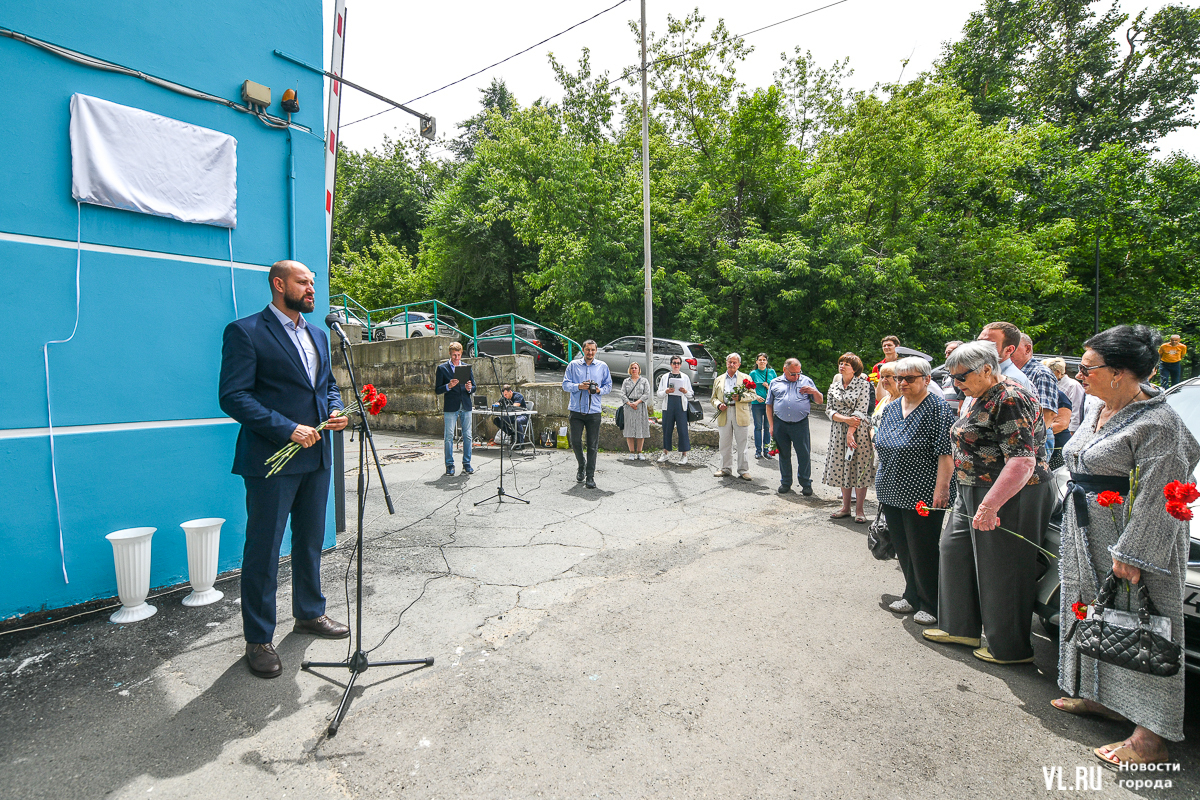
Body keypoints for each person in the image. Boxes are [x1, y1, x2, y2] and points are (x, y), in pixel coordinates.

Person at [1053, 325, 1200, 767]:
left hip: (1134, 540)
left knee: (1147, 628)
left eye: (1089, 368)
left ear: (1119, 373)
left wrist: (1133, 553)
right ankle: (1101, 695)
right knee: (1097, 617)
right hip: (1087, 532)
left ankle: (1150, 737)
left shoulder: (1159, 423)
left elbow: (1163, 492)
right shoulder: (1101, 406)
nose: (1081, 375)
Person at [218, 260, 350, 679]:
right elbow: (233, 396)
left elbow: (326, 384)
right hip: (271, 461)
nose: (312, 288)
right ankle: (258, 638)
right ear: (279, 285)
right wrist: (286, 428)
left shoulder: (317, 334)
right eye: (302, 282)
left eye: (312, 282)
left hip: (317, 457)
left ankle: (310, 613)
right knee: (264, 549)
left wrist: (333, 409)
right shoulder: (246, 332)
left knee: (310, 541)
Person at [923, 340, 1055, 665]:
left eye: (962, 376)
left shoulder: (1010, 397)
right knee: (953, 551)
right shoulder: (979, 394)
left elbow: (1022, 462)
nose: (956, 384)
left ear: (986, 369)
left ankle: (1009, 648)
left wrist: (990, 505)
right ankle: (961, 627)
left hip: (1010, 492)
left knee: (1002, 569)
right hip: (973, 487)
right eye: (952, 377)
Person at [873, 356, 955, 626]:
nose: (903, 383)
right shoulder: (893, 406)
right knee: (904, 548)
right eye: (899, 378)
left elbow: (946, 454)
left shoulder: (938, 409)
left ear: (927, 380)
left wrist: (941, 491)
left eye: (910, 378)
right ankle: (911, 594)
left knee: (924, 549)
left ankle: (931, 603)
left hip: (923, 490)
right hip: (892, 487)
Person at [823, 353, 872, 522]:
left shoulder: (864, 385)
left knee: (859, 468)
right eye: (841, 363)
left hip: (859, 431)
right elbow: (828, 410)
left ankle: (860, 510)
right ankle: (845, 507)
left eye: (847, 364)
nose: (842, 366)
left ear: (855, 368)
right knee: (844, 467)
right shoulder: (834, 386)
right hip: (838, 430)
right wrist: (845, 419)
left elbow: (862, 409)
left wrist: (851, 430)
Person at [765, 358, 824, 495]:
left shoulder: (806, 381)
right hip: (780, 422)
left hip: (800, 423)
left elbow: (820, 401)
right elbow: (769, 405)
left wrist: (814, 391)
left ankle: (805, 483)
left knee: (803, 454)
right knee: (784, 454)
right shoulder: (775, 382)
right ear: (785, 369)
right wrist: (771, 426)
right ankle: (785, 483)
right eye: (793, 374)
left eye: (798, 373)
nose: (796, 376)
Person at [562, 339, 611, 488]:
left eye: (593, 350)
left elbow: (608, 386)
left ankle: (590, 476)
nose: (590, 353)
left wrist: (598, 390)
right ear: (583, 350)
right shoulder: (573, 365)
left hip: (594, 411)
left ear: (596, 351)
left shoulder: (602, 366)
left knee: (592, 445)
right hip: (576, 409)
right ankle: (581, 464)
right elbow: (565, 385)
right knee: (575, 442)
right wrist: (579, 386)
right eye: (588, 350)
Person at [1012, 332, 1060, 455]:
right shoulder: (1014, 372)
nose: (1007, 351)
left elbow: (1048, 414)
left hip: (1034, 441)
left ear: (1027, 349)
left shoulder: (1041, 373)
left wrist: (1030, 444)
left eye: (1012, 347)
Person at [711, 353, 754, 480]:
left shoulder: (746, 378)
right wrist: (719, 405)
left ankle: (743, 470)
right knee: (724, 442)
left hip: (740, 411)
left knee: (742, 443)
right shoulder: (719, 379)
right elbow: (713, 398)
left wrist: (740, 397)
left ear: (739, 364)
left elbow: (753, 395)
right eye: (730, 362)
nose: (732, 364)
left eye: (735, 362)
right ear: (726, 363)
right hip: (724, 412)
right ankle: (725, 468)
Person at [435, 341, 475, 477]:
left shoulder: (466, 367)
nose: (456, 358)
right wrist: (448, 386)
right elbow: (437, 389)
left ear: (461, 353)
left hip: (466, 404)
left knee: (468, 435)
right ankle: (449, 465)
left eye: (458, 355)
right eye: (453, 355)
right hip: (451, 406)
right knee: (449, 436)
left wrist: (470, 388)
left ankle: (467, 463)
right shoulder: (442, 368)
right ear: (449, 354)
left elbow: (474, 386)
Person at [656, 355, 693, 465]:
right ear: (671, 364)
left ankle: (684, 455)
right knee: (667, 429)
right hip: (668, 406)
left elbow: (691, 395)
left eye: (678, 363)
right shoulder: (665, 377)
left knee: (682, 430)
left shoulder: (685, 377)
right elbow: (659, 394)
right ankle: (665, 453)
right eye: (674, 363)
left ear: (680, 365)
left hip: (681, 407)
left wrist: (685, 391)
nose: (676, 365)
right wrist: (666, 391)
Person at [977, 321, 1033, 391]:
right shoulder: (980, 373)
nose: (979, 347)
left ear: (1009, 350)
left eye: (988, 344)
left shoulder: (1012, 381)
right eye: (978, 342)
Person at [1044, 357, 1086, 438]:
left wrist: (1073, 431)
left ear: (1058, 372)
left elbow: (1076, 409)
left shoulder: (1073, 385)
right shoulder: (1052, 384)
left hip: (1067, 429)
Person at [619, 361, 651, 460]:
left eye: (635, 368)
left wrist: (637, 403)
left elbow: (646, 393)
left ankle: (640, 452)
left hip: (640, 406)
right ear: (630, 369)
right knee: (629, 429)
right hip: (629, 407)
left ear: (639, 370)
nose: (634, 369)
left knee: (640, 429)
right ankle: (631, 452)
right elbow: (622, 394)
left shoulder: (644, 381)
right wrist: (629, 403)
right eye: (632, 368)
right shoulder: (626, 381)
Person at [749, 353, 777, 459]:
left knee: (767, 427)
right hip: (756, 404)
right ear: (756, 362)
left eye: (764, 360)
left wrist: (768, 386)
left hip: (768, 404)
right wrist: (756, 397)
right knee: (758, 427)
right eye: (760, 360)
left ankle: (766, 450)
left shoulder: (771, 372)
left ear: (766, 361)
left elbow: (777, 388)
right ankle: (758, 451)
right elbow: (748, 388)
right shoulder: (753, 373)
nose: (762, 361)